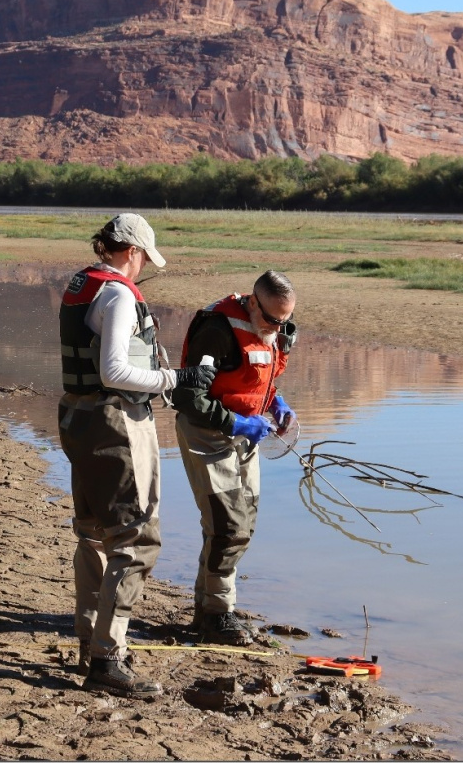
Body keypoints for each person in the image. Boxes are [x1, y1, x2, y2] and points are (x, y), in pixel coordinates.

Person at [58, 213, 215, 698]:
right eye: (145, 257)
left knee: (91, 532)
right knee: (136, 538)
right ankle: (107, 659)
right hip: (115, 422)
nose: (144, 267)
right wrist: (178, 379)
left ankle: (92, 642)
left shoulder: (81, 283)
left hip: (77, 419)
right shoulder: (119, 293)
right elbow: (114, 370)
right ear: (132, 251)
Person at [171, 270, 298, 646]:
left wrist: (274, 402)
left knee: (242, 526)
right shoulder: (217, 329)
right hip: (208, 435)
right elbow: (188, 398)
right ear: (253, 301)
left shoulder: (279, 327)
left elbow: (260, 375)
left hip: (247, 435)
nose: (277, 327)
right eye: (271, 319)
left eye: (285, 320)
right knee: (229, 527)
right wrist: (238, 423)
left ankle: (207, 611)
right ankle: (217, 616)